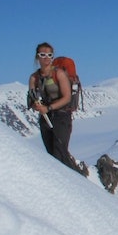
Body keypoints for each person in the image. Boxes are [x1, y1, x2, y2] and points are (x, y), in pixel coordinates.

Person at [27, 43, 82, 173]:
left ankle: (77, 184)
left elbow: (67, 97)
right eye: (42, 55)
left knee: (59, 153)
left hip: (62, 116)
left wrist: (49, 108)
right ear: (37, 57)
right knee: (51, 154)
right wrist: (36, 106)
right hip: (45, 118)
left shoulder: (59, 74)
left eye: (49, 55)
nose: (46, 58)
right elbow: (31, 98)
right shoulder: (34, 78)